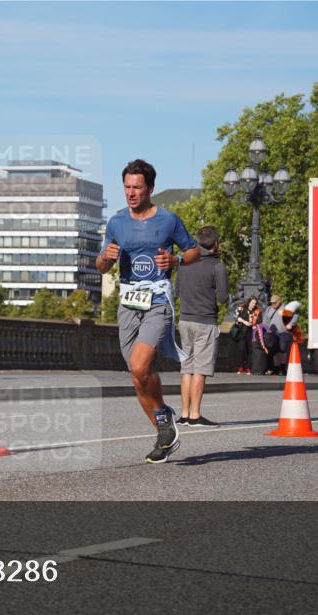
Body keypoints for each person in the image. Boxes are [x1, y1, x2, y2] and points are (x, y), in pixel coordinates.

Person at [97, 159, 200, 464]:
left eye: (137, 187)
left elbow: (193, 251)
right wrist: (106, 257)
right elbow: (101, 266)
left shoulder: (168, 220)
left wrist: (176, 261)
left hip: (157, 301)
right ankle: (163, 426)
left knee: (141, 366)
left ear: (150, 188)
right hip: (128, 303)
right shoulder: (116, 223)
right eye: (127, 187)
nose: (131, 193)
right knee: (137, 375)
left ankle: (162, 419)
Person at [174, 226, 228, 427]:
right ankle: (196, 415)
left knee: (186, 368)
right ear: (216, 243)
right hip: (205, 321)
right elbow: (222, 298)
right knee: (200, 369)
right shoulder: (217, 265)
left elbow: (177, 291)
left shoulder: (184, 263)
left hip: (185, 320)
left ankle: (185, 413)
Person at [234, 297, 261, 374]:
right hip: (242, 332)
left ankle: (248, 367)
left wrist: (255, 325)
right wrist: (244, 322)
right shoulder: (241, 308)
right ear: (249, 302)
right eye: (252, 303)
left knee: (250, 350)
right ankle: (240, 367)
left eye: (255, 303)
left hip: (251, 333)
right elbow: (236, 316)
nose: (253, 305)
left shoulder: (257, 311)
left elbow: (259, 321)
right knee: (241, 349)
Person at [250, 307, 273, 375]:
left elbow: (262, 335)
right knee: (259, 355)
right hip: (258, 341)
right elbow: (268, 331)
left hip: (257, 341)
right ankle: (260, 370)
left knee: (257, 355)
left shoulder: (258, 324)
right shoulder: (260, 324)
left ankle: (256, 370)